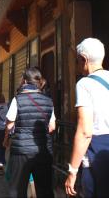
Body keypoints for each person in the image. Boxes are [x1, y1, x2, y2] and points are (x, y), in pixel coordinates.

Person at [65, 38, 109, 198]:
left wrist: (73, 171)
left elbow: (85, 131)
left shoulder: (84, 84)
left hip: (97, 149)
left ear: (83, 59)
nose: (77, 65)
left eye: (77, 60)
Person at [3, 67, 54, 198]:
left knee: (17, 189)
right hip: (43, 151)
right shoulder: (48, 101)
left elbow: (9, 125)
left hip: (21, 151)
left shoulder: (18, 99)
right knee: (45, 190)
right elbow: (52, 127)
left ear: (24, 81)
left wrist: (6, 139)